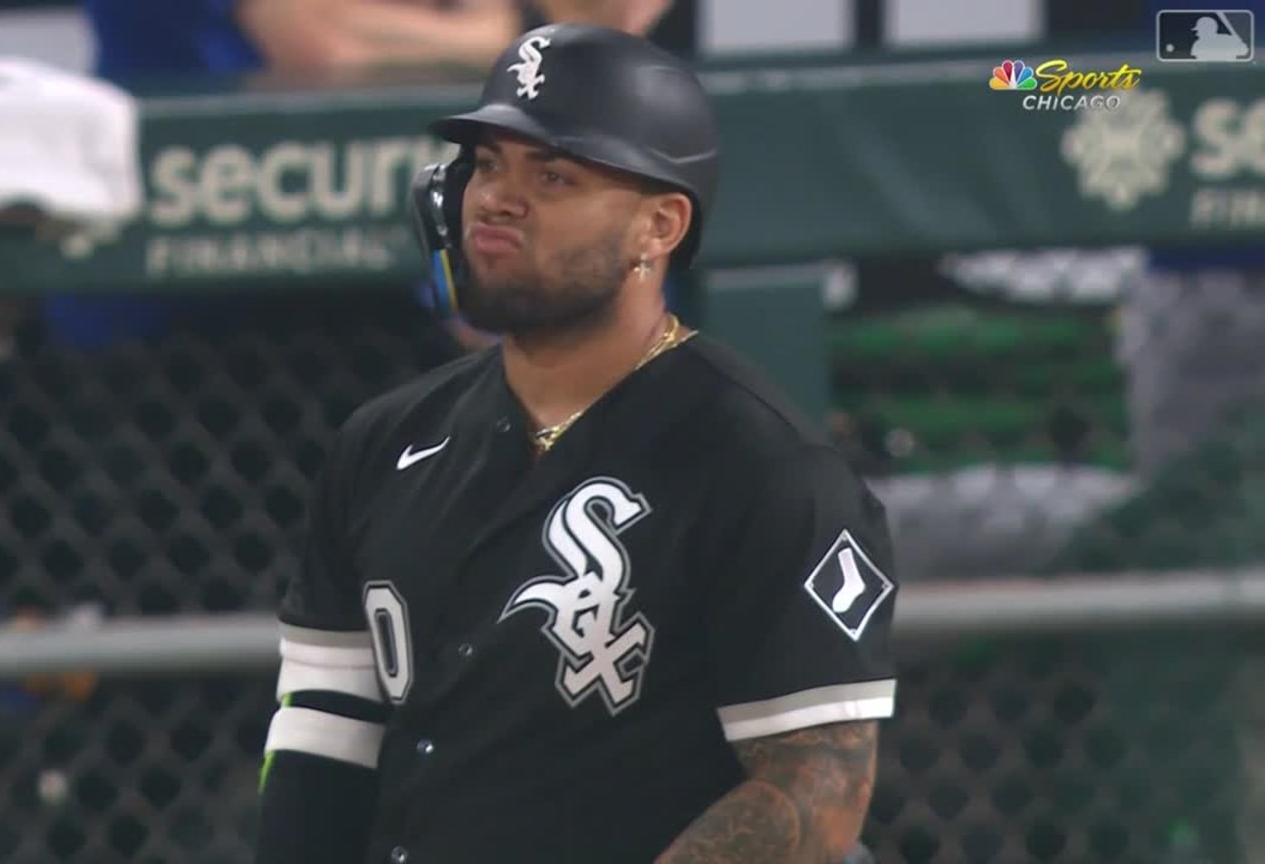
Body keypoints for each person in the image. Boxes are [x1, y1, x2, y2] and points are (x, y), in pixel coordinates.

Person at [256, 23, 897, 864]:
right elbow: (324, 738)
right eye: (487, 165)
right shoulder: (384, 443)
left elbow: (818, 790)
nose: (496, 198)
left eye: (553, 176)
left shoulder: (760, 465)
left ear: (657, 227)